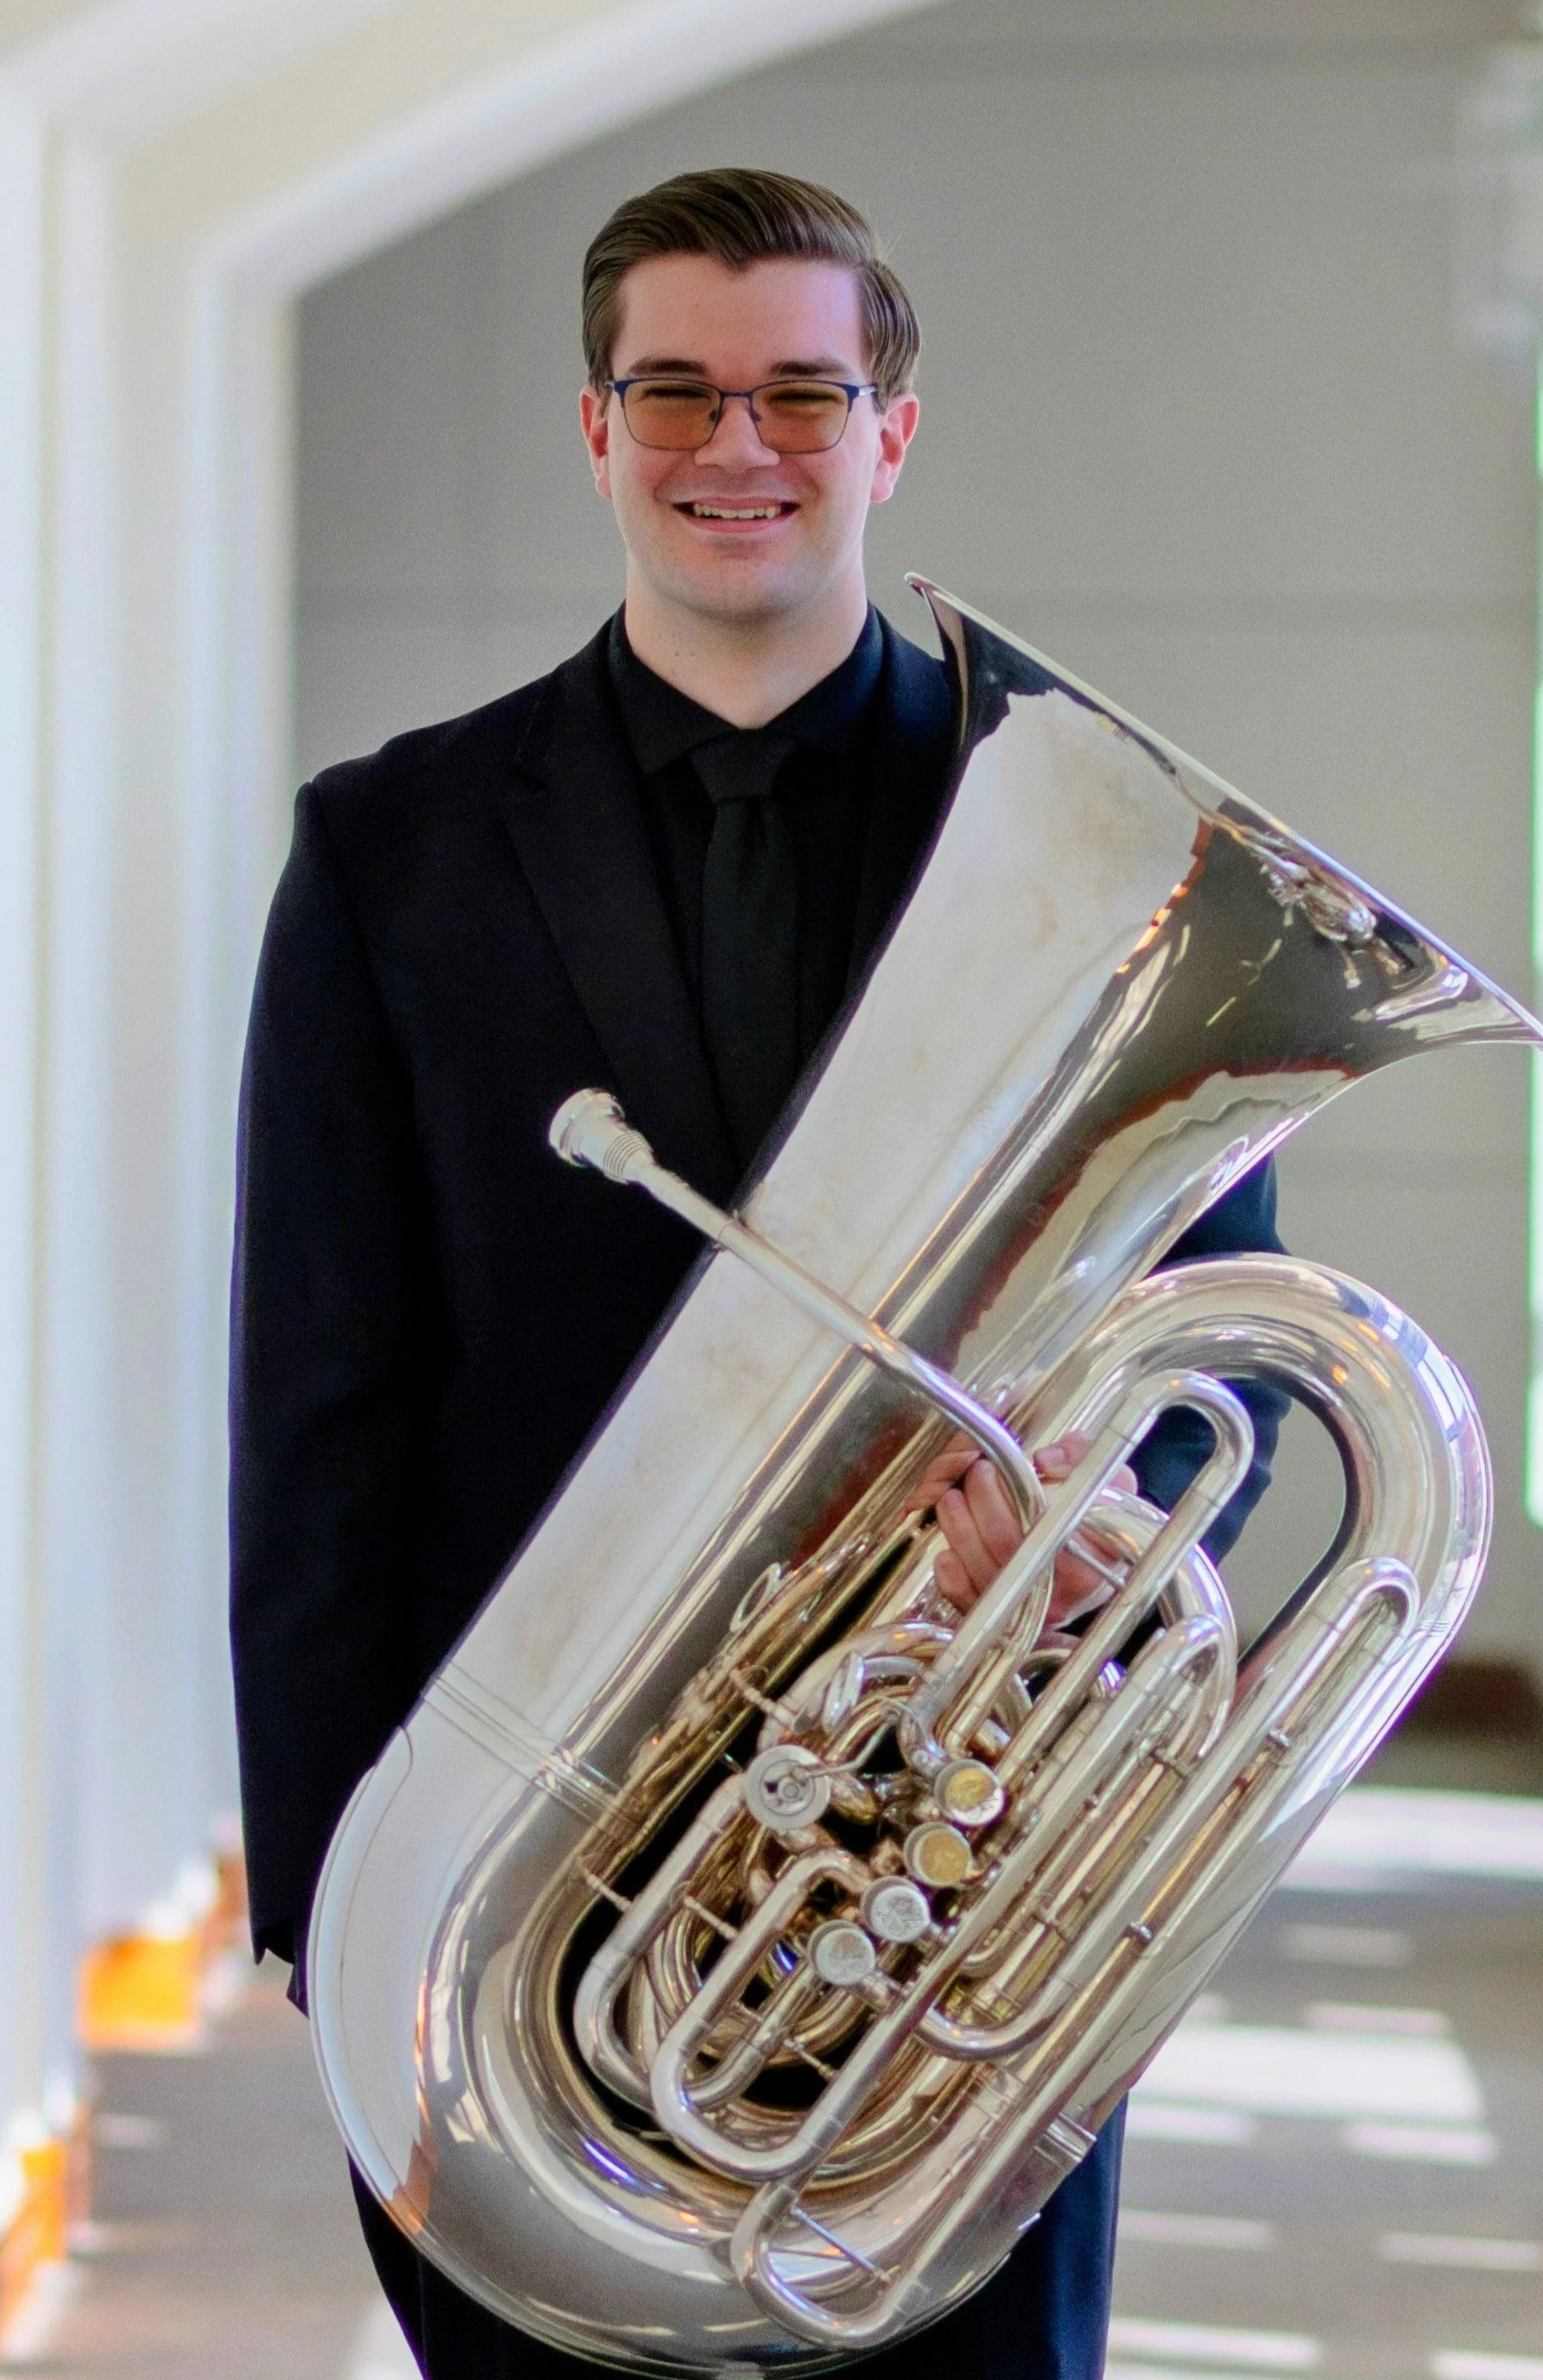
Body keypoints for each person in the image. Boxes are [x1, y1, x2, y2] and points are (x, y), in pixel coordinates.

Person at [230, 166, 1288, 2380]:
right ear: (594, 425)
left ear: (893, 431)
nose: (741, 445)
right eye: (682, 390)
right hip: (530, 1882)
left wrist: (1111, 1521)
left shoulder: (1099, 838)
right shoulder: (393, 848)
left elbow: (1230, 1314)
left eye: (805, 390)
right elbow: (325, 1397)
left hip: (962, 1869)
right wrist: (338, 1896)